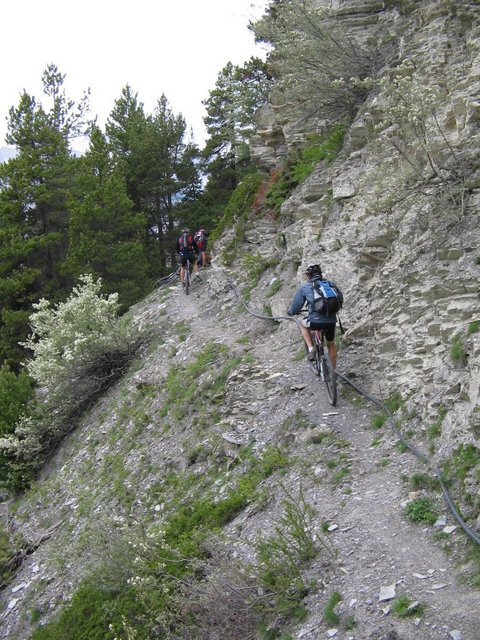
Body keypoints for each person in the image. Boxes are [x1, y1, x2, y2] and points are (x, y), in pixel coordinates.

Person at [287, 264, 343, 369]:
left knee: (302, 324)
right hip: (331, 321)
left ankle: (311, 348)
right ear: (321, 274)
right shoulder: (330, 284)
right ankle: (333, 372)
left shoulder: (305, 287)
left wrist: (290, 312)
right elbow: (340, 300)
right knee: (331, 343)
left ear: (309, 275)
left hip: (315, 321)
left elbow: (296, 306)